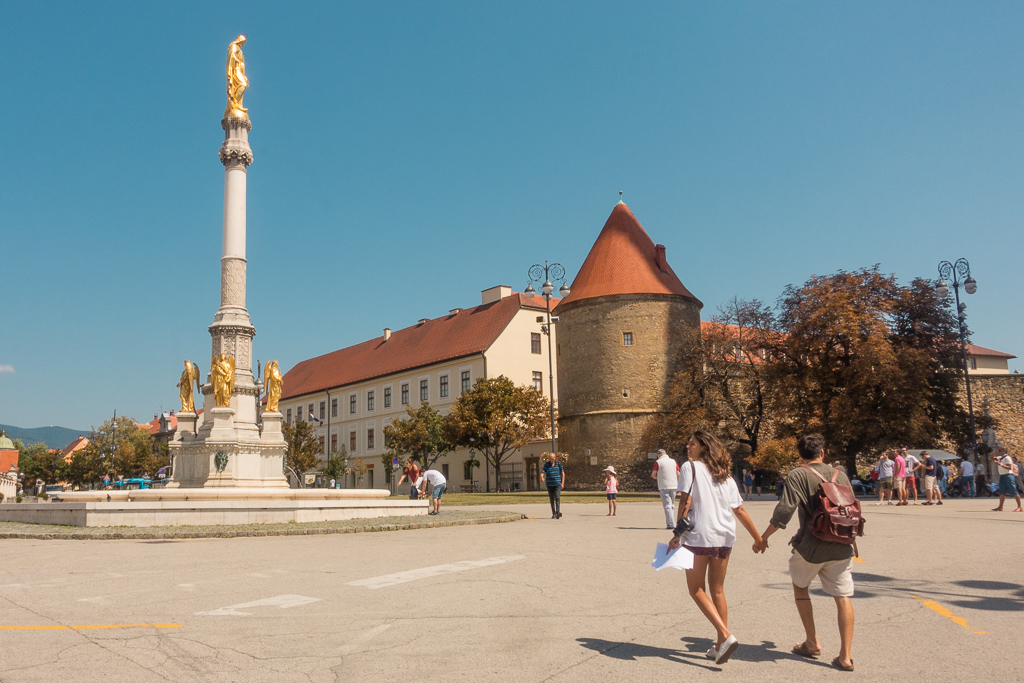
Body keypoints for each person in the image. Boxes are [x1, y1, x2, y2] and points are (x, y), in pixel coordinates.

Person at [755, 433, 856, 672]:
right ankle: (845, 656)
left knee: (800, 585)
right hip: (842, 545)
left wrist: (763, 537)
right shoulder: (840, 474)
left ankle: (811, 642)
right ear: (823, 453)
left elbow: (785, 510)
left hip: (811, 545)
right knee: (842, 597)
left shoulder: (798, 474)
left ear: (800, 456)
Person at [667, 430, 764, 665]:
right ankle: (721, 645)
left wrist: (676, 534)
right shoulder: (726, 477)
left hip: (699, 536)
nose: (688, 447)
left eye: (692, 444)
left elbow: (685, 499)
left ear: (704, 447)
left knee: (696, 590)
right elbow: (739, 510)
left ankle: (726, 635)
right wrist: (758, 538)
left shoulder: (690, 468)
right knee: (718, 590)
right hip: (724, 538)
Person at [652, 449, 681, 529]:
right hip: (674, 485)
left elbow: (653, 474)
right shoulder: (673, 461)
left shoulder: (658, 462)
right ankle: (670, 523)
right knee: (672, 505)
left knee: (667, 505)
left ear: (658, 455)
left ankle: (671, 524)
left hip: (664, 485)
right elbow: (678, 474)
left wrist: (659, 478)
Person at [990, 447, 1022, 512]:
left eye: (1000, 450)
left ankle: (1019, 506)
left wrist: (1000, 464)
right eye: (999, 450)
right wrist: (994, 452)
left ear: (1004, 451)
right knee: (1002, 491)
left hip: (1008, 475)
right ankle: (1000, 506)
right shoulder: (1000, 457)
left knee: (1013, 490)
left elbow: (1009, 467)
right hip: (1002, 475)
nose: (999, 451)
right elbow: (990, 458)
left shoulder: (1007, 458)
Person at [541, 452, 565, 519]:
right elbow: (542, 472)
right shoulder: (547, 464)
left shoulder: (558, 463)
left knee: (557, 498)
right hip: (549, 484)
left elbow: (563, 473)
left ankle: (557, 512)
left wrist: (562, 483)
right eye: (550, 459)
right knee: (551, 499)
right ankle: (554, 513)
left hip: (557, 484)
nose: (551, 461)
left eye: (553, 459)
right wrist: (542, 477)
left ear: (555, 458)